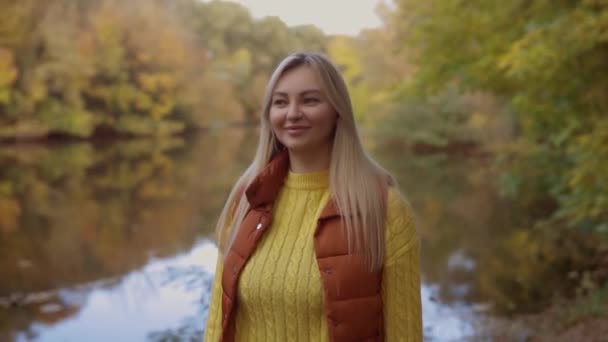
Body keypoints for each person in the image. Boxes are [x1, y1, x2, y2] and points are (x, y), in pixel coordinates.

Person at [204, 52, 421, 342]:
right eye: (281, 102)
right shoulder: (247, 199)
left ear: (337, 111)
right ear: (270, 114)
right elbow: (217, 323)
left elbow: (403, 333)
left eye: (310, 100)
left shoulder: (383, 208)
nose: (292, 113)